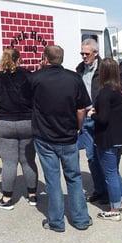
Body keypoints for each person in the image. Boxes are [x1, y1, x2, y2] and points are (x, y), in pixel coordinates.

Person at [32, 45, 93, 232]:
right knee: (74, 178)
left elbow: (27, 103)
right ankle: (81, 219)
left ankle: (56, 222)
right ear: (62, 58)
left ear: (45, 58)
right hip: (68, 136)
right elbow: (82, 108)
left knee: (52, 179)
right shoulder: (74, 78)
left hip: (44, 137)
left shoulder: (35, 79)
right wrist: (77, 127)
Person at [0, 48, 38, 210]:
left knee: (9, 163)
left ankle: (6, 199)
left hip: (4, 123)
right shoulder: (28, 75)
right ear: (19, 59)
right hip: (27, 122)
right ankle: (32, 196)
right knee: (28, 161)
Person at [88, 58, 122, 221]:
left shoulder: (105, 91)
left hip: (108, 138)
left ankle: (114, 209)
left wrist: (93, 114)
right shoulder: (121, 90)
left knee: (110, 173)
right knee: (115, 171)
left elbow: (103, 119)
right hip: (121, 136)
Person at [75, 38, 105, 204]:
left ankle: (111, 192)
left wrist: (105, 105)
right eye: (82, 53)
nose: (84, 56)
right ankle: (100, 190)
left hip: (100, 116)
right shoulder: (80, 69)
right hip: (86, 117)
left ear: (95, 53)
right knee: (91, 156)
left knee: (105, 156)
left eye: (87, 54)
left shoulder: (105, 67)